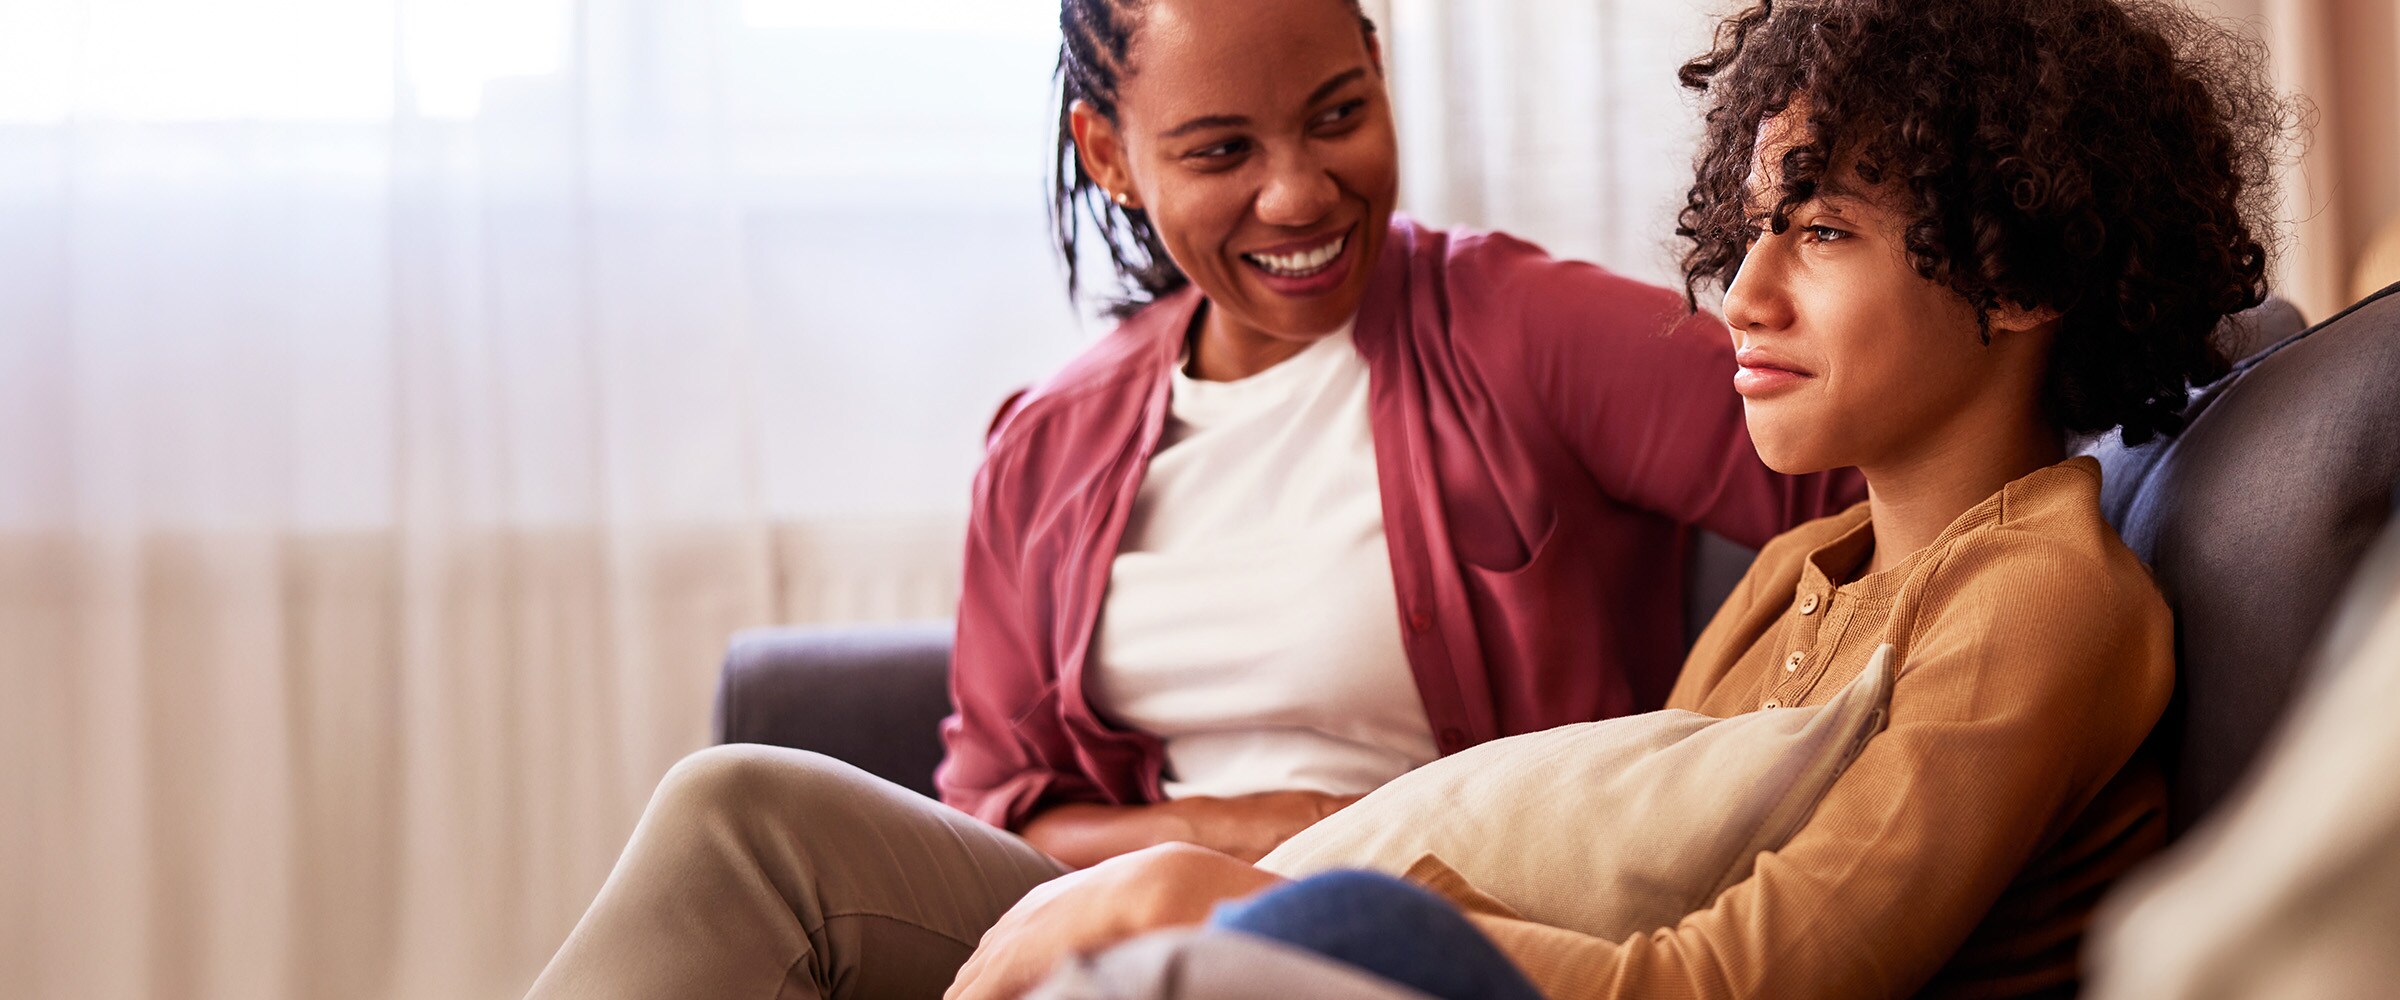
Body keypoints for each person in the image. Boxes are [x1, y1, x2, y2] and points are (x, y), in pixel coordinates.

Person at [938, 0, 2286, 997]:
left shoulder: (2040, 599)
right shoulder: (1805, 568)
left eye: (1816, 232)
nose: (1742, 296)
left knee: (1272, 944)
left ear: (2022, 271)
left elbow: (1739, 983)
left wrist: (1260, 894)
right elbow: (1647, 876)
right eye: (1752, 228)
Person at [522, 0, 1856, 996]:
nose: (1299, 190)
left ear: (1380, 70)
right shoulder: (1049, 445)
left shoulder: (1526, 331)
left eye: (1339, 113)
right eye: (1222, 149)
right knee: (737, 809)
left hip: (1405, 924)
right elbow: (994, 804)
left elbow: (1878, 461)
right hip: (1108, 907)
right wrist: (1226, 835)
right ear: (1106, 152)